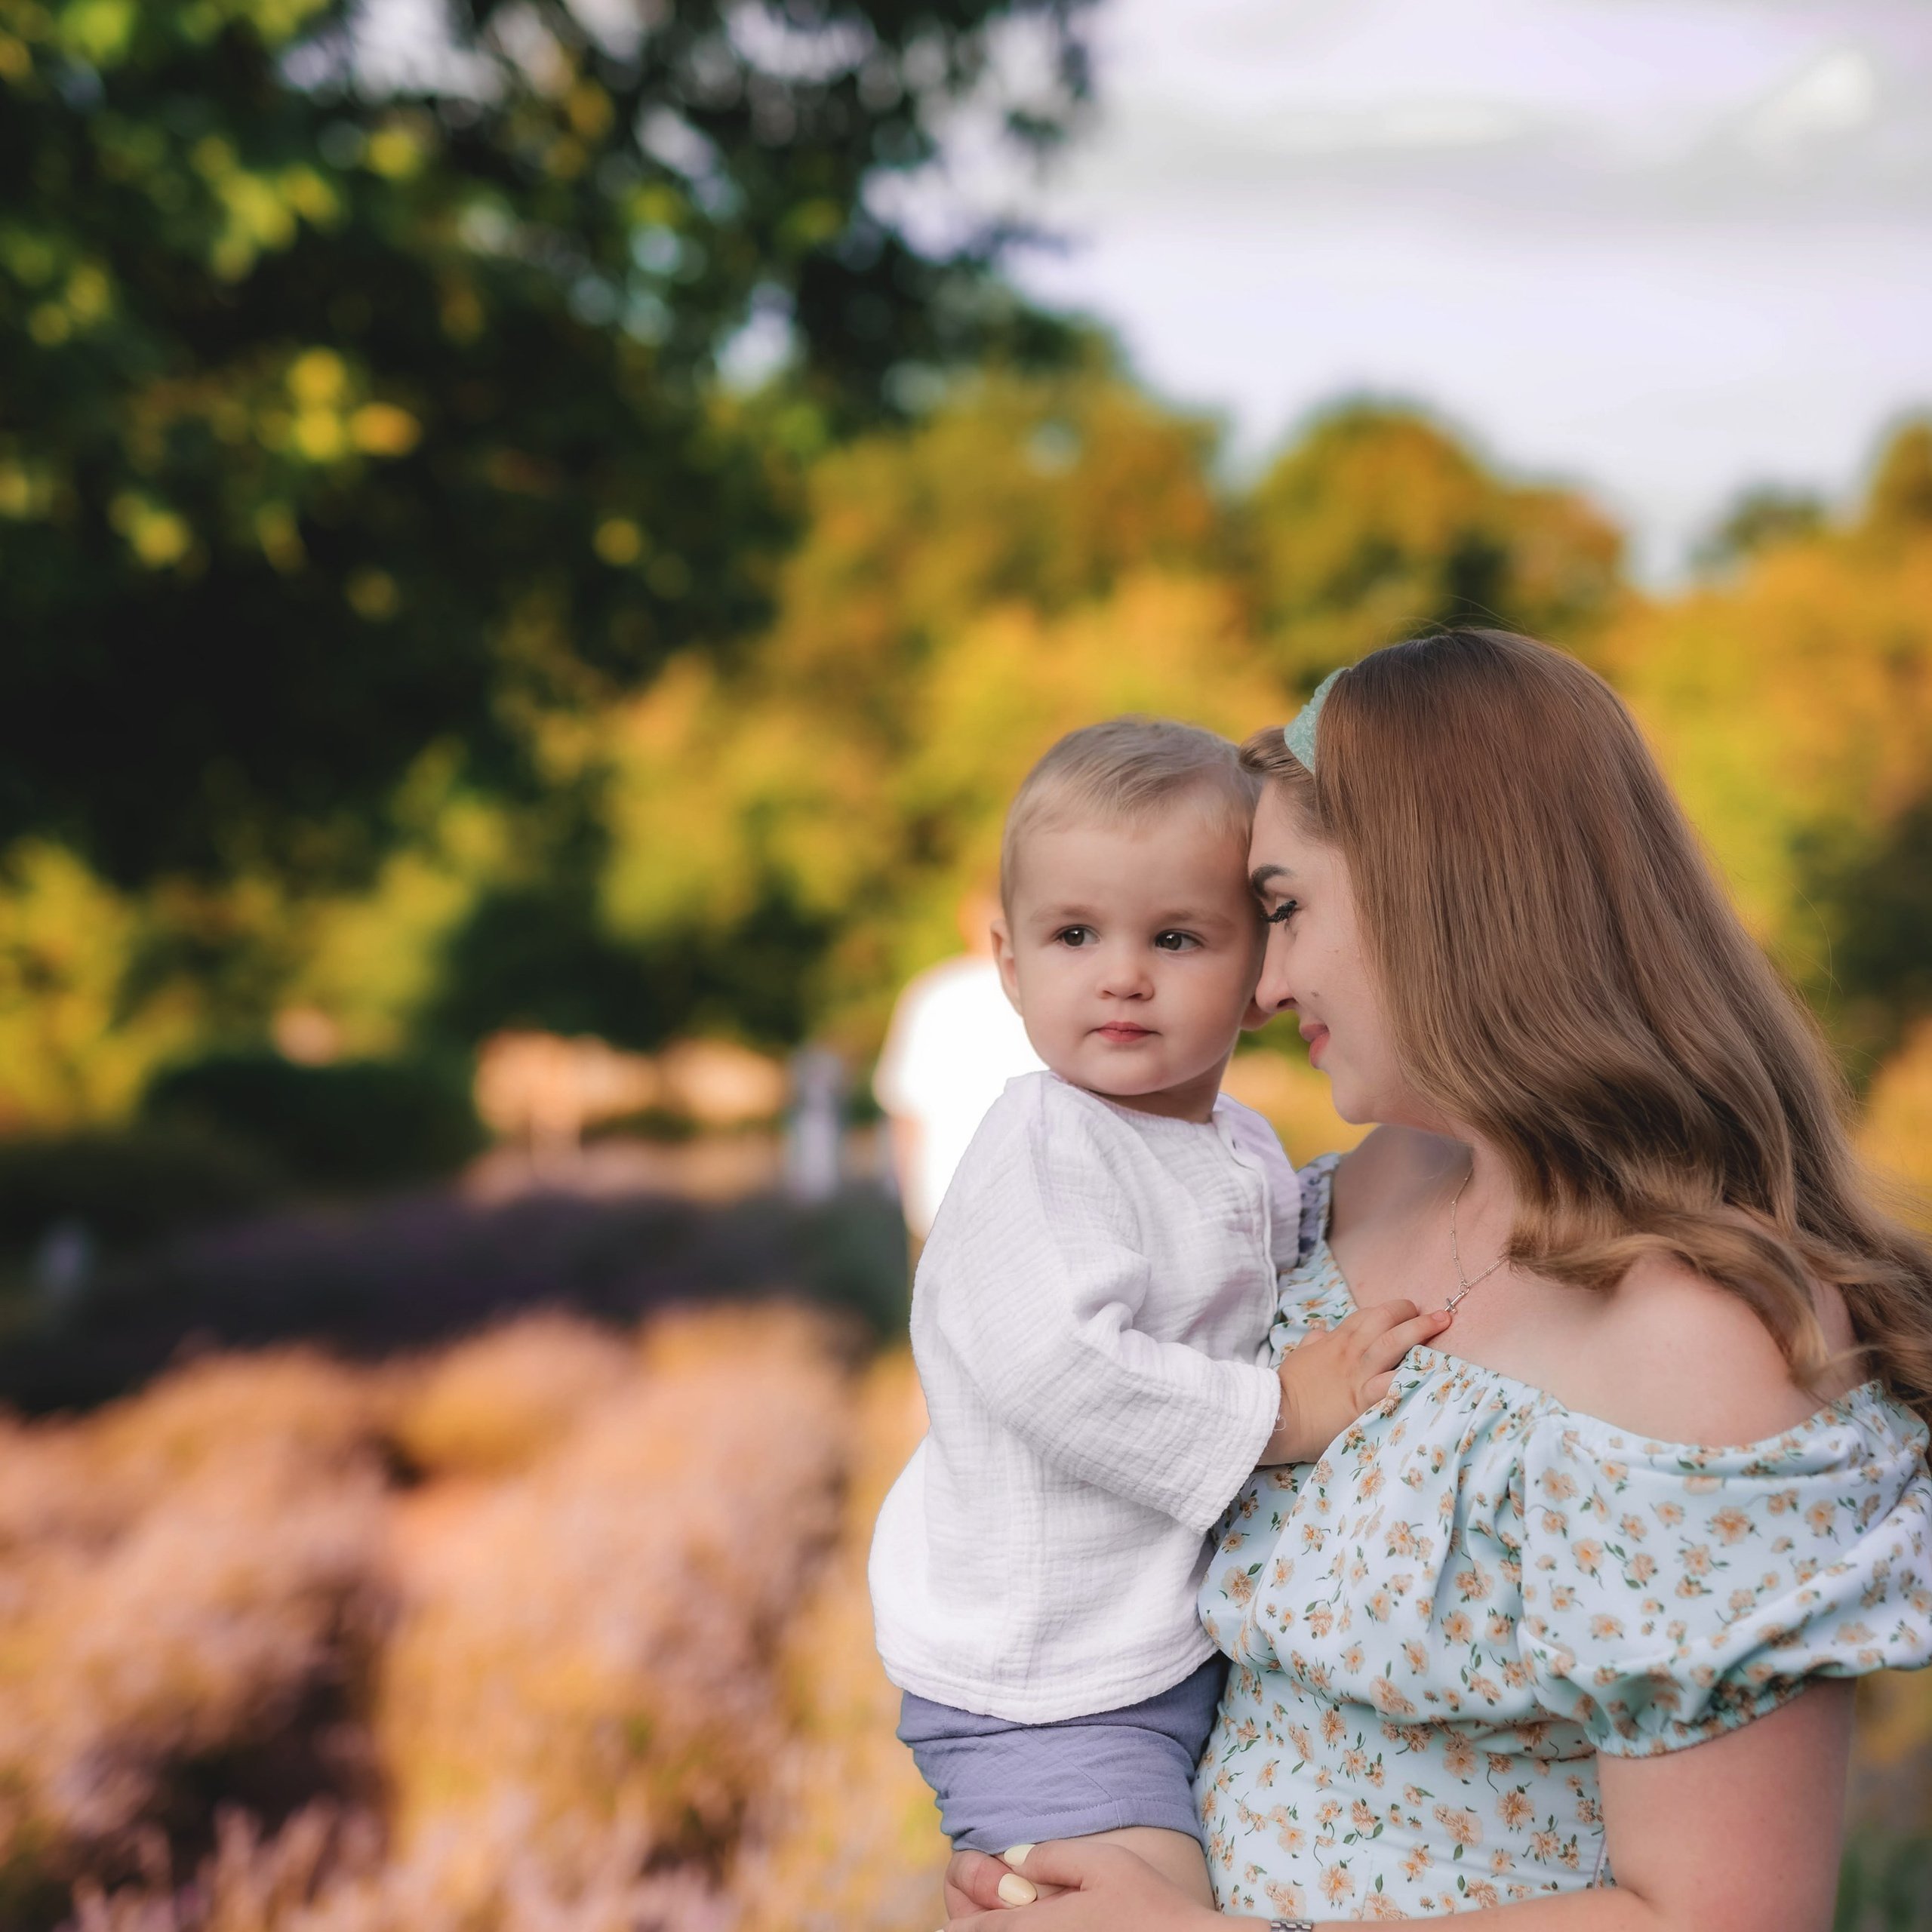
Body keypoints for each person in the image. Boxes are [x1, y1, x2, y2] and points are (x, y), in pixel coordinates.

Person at [940, 630, 1932, 1929]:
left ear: (1443, 893)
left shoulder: (1699, 1340)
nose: (1267, 981)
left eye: (1285, 907)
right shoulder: (1363, 1191)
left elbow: (1720, 1918)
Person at [867, 718, 1448, 1915]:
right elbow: (1058, 1369)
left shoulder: (1242, 1147)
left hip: (1155, 1643)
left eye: (1176, 939)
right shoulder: (1042, 1146)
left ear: (1257, 985)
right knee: (1139, 1900)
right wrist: (1285, 1409)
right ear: (1011, 968)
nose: (1121, 973)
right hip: (1043, 1678)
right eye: (1075, 936)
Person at [874, 888, 1045, 1241]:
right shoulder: (1052, 990)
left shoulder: (930, 993)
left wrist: (909, 1195)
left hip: (952, 1202)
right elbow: (906, 1107)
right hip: (1014, 1205)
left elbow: (904, 1108)